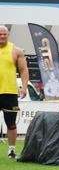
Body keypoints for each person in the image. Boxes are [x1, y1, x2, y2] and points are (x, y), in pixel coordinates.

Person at [0, 26, 29, 160]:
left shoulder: (16, 51)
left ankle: (11, 151)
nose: (2, 36)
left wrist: (23, 87)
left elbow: (23, 70)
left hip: (9, 92)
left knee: (11, 123)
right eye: (0, 34)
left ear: (8, 35)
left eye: (4, 34)